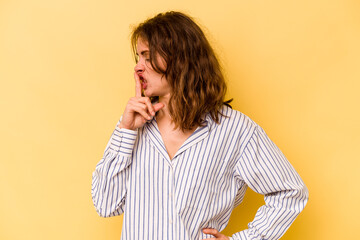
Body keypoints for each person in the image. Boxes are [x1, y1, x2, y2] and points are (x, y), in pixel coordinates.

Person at [91, 11, 308, 240]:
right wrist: (125, 131)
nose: (138, 67)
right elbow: (106, 204)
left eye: (146, 56)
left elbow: (290, 192)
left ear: (179, 58)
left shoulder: (235, 131)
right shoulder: (133, 128)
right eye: (138, 58)